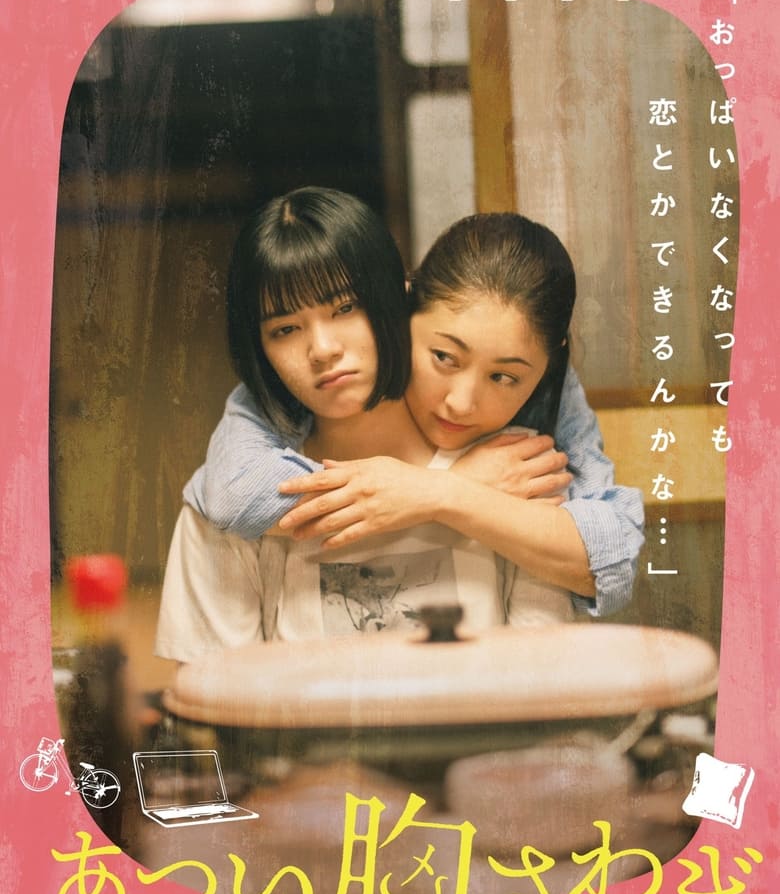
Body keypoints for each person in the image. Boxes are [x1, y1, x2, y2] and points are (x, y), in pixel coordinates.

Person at [156, 190, 579, 665]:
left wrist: (448, 491)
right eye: (285, 329)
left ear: (399, 298)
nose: (322, 349)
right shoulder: (229, 506)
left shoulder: (516, 470)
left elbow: (545, 674)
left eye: (345, 309)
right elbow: (216, 689)